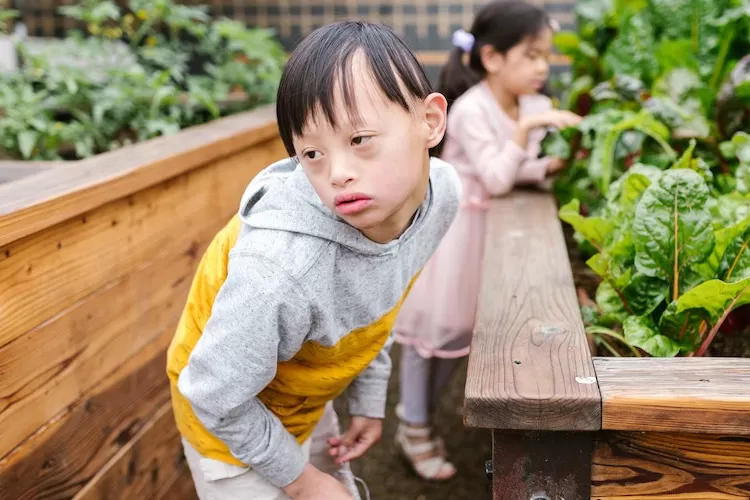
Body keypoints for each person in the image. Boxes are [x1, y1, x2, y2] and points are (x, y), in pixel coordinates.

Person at [165, 20, 462, 500]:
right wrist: (303, 483)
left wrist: (368, 399)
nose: (338, 173)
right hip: (226, 419)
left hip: (298, 386)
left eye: (360, 139)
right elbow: (213, 395)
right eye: (311, 152)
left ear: (429, 121)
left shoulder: (441, 196)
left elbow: (377, 291)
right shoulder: (281, 270)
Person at [391, 0, 582, 481]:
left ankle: (420, 421)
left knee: (458, 336)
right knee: (428, 334)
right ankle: (413, 426)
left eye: (546, 55)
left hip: (486, 239)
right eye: (532, 55)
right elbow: (497, 177)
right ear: (493, 57)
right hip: (453, 236)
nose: (544, 66)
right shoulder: (472, 108)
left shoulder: (532, 105)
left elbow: (517, 170)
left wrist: (551, 165)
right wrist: (524, 132)